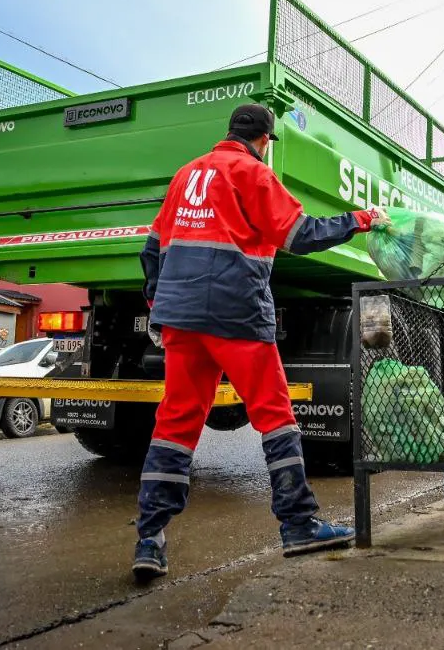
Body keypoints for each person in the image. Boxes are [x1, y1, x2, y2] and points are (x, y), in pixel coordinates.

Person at [132, 103, 388, 580]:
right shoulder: (252, 173)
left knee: (176, 422)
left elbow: (151, 247)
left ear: (229, 132)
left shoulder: (187, 175)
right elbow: (300, 234)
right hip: (237, 315)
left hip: (181, 318)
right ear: (265, 140)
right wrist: (360, 219)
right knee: (274, 415)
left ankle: (150, 538)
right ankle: (298, 524)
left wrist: (157, 302)